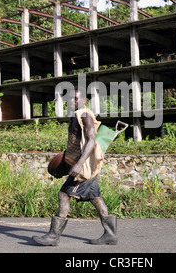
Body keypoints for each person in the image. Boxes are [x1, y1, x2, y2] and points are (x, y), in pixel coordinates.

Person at [32, 89, 117, 246]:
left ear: (84, 100)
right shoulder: (76, 115)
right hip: (84, 165)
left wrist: (78, 164)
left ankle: (53, 236)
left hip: (83, 167)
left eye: (76, 99)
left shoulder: (85, 115)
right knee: (95, 198)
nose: (72, 101)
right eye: (70, 99)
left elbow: (91, 140)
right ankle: (110, 235)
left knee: (64, 195)